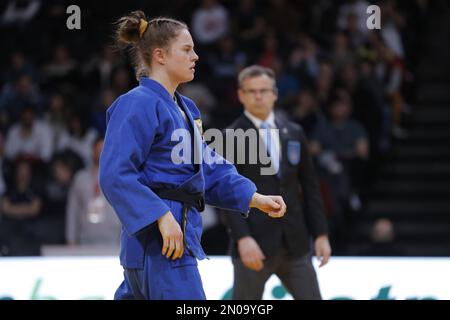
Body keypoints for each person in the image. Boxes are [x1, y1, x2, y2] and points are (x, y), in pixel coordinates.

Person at [99, 11, 286, 300]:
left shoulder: (185, 108)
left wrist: (254, 197)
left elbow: (208, 169)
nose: (195, 56)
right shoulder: (137, 103)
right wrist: (160, 216)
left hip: (171, 238)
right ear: (160, 55)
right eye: (187, 49)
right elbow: (115, 174)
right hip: (161, 242)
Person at [221, 65, 331, 300]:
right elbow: (224, 193)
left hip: (295, 242)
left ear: (275, 93)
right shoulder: (230, 136)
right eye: (252, 91)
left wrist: (321, 233)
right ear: (241, 95)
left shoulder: (293, 131)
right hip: (254, 242)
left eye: (263, 90)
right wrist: (242, 238)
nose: (258, 96)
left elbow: (310, 187)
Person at [66, 136, 121, 246]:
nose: (101, 152)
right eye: (98, 149)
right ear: (92, 151)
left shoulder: (118, 177)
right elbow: (73, 209)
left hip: (113, 237)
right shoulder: (80, 178)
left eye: (104, 149)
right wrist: (70, 238)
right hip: (86, 236)